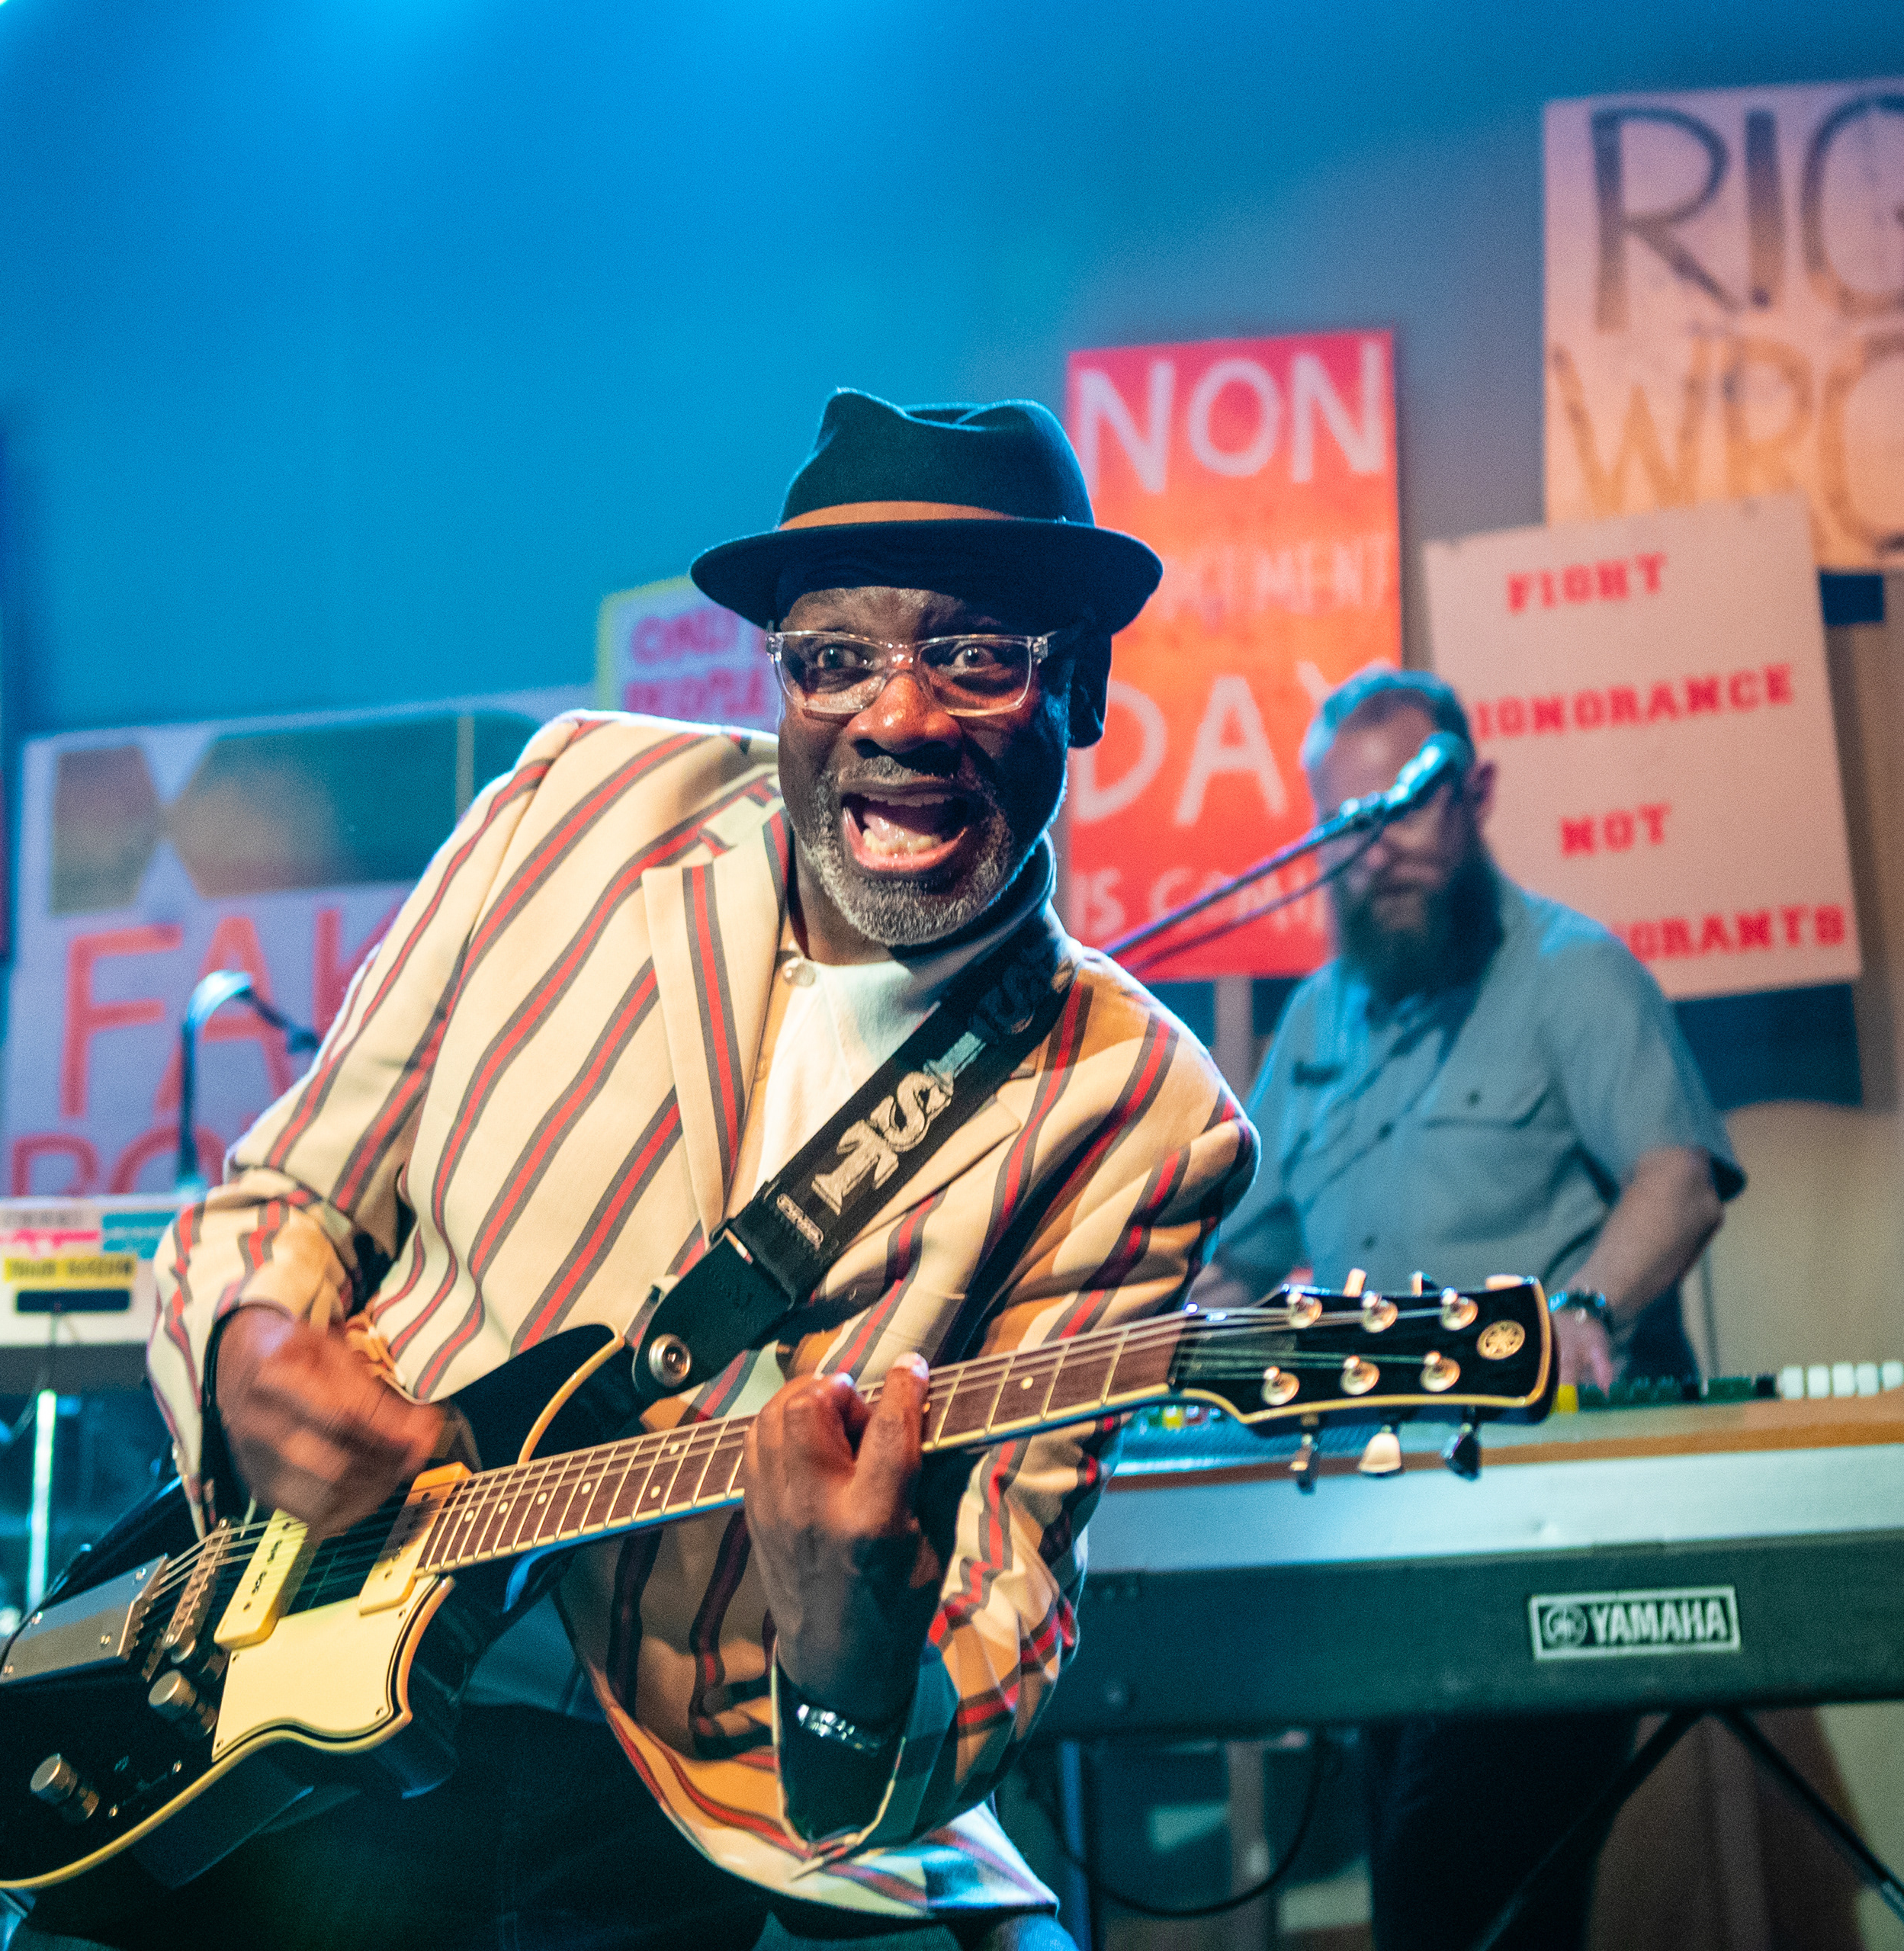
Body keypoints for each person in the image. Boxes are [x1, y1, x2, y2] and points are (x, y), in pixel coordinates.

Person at [70, 392, 1253, 1951]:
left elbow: (1001, 1605)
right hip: (297, 1708)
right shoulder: (574, 804)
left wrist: (850, 1646)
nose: (896, 715)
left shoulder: (1141, 1105)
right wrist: (253, 1347)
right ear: (782, 684)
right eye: (836, 658)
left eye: (973, 653)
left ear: (1080, 684)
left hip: (703, 1792)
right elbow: (286, 1196)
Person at [1193, 666, 1743, 1951]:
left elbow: (1681, 1178)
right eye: (1345, 824)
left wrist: (1585, 1312)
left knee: (1455, 1889)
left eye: (1405, 810)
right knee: (1425, 1901)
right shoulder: (1319, 1020)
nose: (1372, 852)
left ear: (1477, 794)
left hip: (1545, 1532)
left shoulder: (1570, 975)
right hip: (1375, 1544)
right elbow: (1235, 1255)